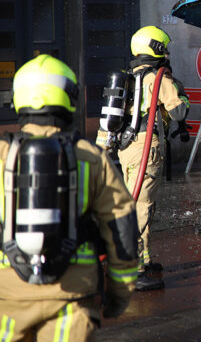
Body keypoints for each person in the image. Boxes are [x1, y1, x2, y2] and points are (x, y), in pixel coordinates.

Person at [0, 54, 138, 339]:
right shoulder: (92, 158)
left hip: (6, 296)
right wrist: (119, 294)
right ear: (70, 99)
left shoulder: (2, 157)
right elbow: (121, 227)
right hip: (73, 298)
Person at [98, 25, 189, 291]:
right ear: (157, 49)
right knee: (141, 206)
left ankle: (145, 259)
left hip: (128, 147)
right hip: (145, 149)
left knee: (137, 201)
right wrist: (181, 93)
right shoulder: (158, 79)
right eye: (165, 47)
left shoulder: (132, 76)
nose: (168, 53)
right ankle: (133, 267)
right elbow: (180, 112)